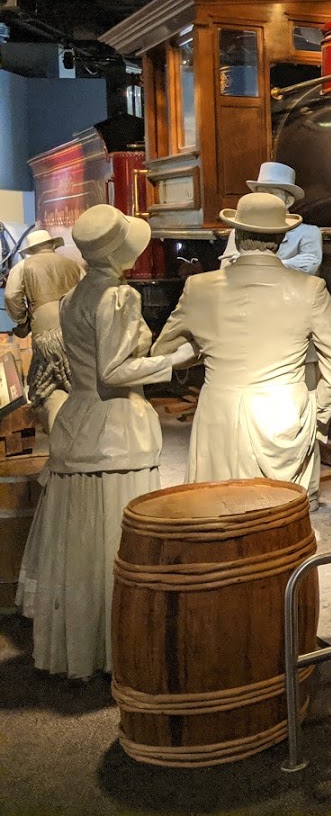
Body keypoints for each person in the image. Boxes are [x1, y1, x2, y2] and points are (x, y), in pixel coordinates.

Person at [15, 206, 195, 678]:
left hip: (79, 422)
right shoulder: (118, 297)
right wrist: (176, 360)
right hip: (116, 428)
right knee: (118, 544)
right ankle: (123, 648)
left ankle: (87, 646)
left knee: (83, 548)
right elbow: (114, 371)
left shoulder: (74, 297)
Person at [153, 192, 331, 506]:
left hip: (219, 418)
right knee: (278, 518)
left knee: (217, 512)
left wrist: (205, 348)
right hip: (282, 417)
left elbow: (164, 352)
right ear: (281, 239)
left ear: (238, 234)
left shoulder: (199, 288)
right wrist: (316, 410)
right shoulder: (310, 289)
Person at [3, 227, 84, 425]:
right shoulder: (74, 265)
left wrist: (22, 320)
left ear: (31, 250)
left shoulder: (23, 267)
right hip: (75, 333)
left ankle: (57, 429)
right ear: (52, 245)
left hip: (46, 337)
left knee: (47, 386)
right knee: (78, 383)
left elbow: (11, 296)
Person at [217, 161, 322, 275]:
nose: (265, 199)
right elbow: (226, 268)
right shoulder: (240, 229)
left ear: (288, 201)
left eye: (272, 194)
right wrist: (286, 263)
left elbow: (309, 268)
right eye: (261, 194)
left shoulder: (308, 232)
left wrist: (248, 263)